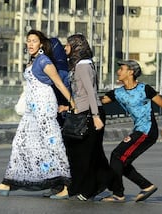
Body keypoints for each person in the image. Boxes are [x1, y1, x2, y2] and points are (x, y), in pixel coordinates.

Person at [0, 29, 73, 196]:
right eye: (28, 41)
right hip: (32, 109)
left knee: (52, 144)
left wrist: (72, 103)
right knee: (19, 143)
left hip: (44, 107)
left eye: (34, 41)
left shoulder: (44, 61)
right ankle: (8, 183)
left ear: (41, 44)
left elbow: (59, 83)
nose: (30, 44)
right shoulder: (33, 61)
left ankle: (66, 185)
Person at [49, 34, 114, 201]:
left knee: (80, 153)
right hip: (83, 111)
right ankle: (98, 185)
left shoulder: (83, 65)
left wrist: (95, 116)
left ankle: (80, 188)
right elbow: (81, 93)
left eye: (68, 45)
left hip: (89, 114)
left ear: (76, 46)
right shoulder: (81, 64)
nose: (65, 48)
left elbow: (91, 92)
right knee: (91, 153)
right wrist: (69, 106)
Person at [100, 59, 162, 202]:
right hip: (138, 130)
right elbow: (99, 101)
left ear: (131, 72)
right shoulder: (118, 92)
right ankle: (146, 186)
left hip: (147, 130)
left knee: (117, 156)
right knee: (122, 161)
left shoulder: (144, 89)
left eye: (122, 69)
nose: (118, 72)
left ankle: (118, 194)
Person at [40, 37, 71, 198]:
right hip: (60, 115)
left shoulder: (57, 71)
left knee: (57, 151)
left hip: (59, 115)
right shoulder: (64, 69)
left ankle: (61, 186)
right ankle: (59, 185)